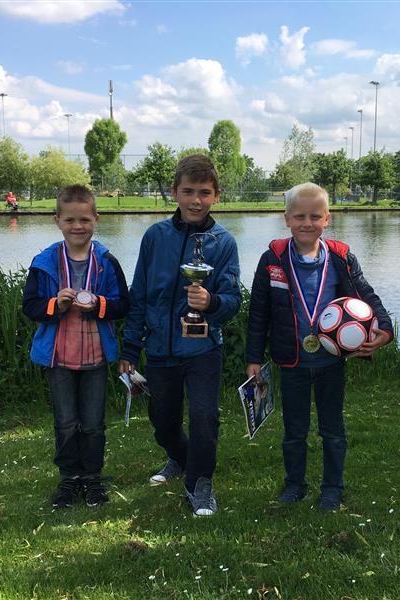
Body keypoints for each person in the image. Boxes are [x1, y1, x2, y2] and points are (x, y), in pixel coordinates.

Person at [245, 182, 394, 510]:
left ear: (327, 219)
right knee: (294, 430)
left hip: (330, 362)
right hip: (292, 362)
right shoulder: (273, 259)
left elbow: (366, 293)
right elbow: (258, 312)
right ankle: (294, 485)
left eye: (315, 216)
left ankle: (332, 488)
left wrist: (384, 326)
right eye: (299, 216)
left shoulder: (341, 257)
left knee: (332, 429)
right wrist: (253, 357)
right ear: (287, 218)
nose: (307, 223)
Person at [119, 154, 241, 517]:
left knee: (205, 417)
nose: (196, 200)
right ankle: (179, 457)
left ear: (216, 195)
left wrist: (211, 301)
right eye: (188, 191)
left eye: (204, 192)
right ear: (174, 192)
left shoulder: (224, 242)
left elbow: (232, 301)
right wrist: (131, 347)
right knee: (163, 422)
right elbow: (139, 294)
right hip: (160, 348)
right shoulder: (155, 237)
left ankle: (200, 483)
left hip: (203, 349)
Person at [23, 184, 129, 509]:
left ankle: (93, 478)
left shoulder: (107, 261)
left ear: (96, 218)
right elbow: (30, 307)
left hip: (95, 357)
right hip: (59, 358)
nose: (77, 226)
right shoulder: (43, 262)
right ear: (57, 220)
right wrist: (55, 305)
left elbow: (123, 304)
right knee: (66, 422)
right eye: (70, 220)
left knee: (94, 423)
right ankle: (69, 478)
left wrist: (98, 304)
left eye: (84, 219)